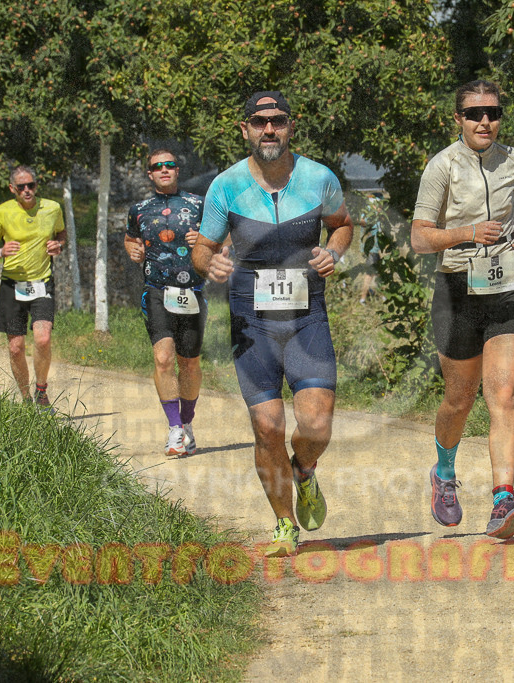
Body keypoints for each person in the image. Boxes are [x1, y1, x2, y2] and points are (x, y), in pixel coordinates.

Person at [191, 91, 354, 557]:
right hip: (253, 321)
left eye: (277, 121)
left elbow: (342, 224)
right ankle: (285, 524)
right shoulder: (225, 185)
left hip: (306, 318)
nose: (269, 130)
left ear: (290, 126)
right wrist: (209, 265)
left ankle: (303, 470)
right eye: (260, 122)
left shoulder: (319, 177)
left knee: (317, 425)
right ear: (245, 129)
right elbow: (203, 247)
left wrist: (335, 250)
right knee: (267, 427)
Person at [410, 79, 514, 539]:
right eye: (474, 113)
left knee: (503, 394)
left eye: (493, 112)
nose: (485, 121)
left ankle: (503, 498)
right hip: (457, 289)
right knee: (459, 400)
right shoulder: (441, 166)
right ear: (458, 119)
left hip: (508, 286)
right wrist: (467, 232)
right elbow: (420, 236)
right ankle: (444, 474)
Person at [125, 148, 207, 456]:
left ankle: (187, 423)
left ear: (177, 170)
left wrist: (203, 241)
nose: (164, 169)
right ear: (150, 173)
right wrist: (132, 249)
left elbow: (224, 239)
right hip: (157, 291)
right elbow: (131, 237)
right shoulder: (139, 209)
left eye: (170, 165)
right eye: (157, 166)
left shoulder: (198, 204)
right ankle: (174, 429)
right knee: (163, 359)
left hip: (193, 292)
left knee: (190, 363)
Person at [0, 166, 67, 408]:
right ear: (12, 189)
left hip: (42, 282)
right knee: (16, 348)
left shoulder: (52, 208)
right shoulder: (2, 212)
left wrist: (58, 245)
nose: (27, 190)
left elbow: (62, 233)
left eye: (32, 185)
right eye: (21, 187)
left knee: (42, 338)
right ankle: (26, 398)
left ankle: (41, 390)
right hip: (12, 284)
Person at [358, 193, 385, 304]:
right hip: (371, 249)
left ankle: (381, 294)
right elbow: (363, 222)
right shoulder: (370, 213)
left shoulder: (371, 213)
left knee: (377, 272)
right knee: (370, 274)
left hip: (372, 249)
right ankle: (363, 298)